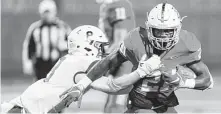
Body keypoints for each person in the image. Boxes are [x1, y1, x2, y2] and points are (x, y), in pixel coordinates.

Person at [62, 3, 214, 113]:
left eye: (168, 32)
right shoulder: (136, 40)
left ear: (177, 29)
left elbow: (207, 80)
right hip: (139, 106)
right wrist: (82, 85)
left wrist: (181, 82)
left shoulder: (187, 43)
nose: (163, 37)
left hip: (165, 106)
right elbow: (108, 62)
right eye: (158, 31)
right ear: (149, 28)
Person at [1, 25, 109, 113]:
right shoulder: (81, 60)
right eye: (98, 46)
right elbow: (111, 85)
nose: (101, 50)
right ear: (86, 45)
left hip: (24, 106)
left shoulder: (73, 59)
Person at [96, 0, 136, 112]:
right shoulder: (108, 6)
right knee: (110, 105)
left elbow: (120, 41)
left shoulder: (119, 6)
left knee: (116, 104)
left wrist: (102, 62)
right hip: (116, 59)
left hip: (123, 61)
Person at [22, 0, 71, 80]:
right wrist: (27, 62)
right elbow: (29, 46)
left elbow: (72, 44)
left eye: (49, 12)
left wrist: (64, 46)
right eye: (45, 13)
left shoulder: (63, 27)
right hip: (40, 64)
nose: (47, 15)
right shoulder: (35, 28)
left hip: (57, 62)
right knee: (40, 86)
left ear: (54, 12)